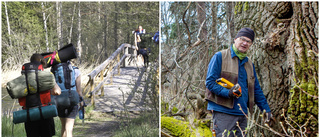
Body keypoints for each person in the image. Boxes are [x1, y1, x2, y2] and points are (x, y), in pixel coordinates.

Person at [205, 28, 272, 136]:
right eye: (242, 39)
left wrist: (265, 109)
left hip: (242, 114)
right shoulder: (220, 56)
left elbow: (255, 89)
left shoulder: (249, 63)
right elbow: (210, 82)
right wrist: (227, 93)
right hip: (223, 112)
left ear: (251, 44)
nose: (245, 43)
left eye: (248, 41)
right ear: (235, 39)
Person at [23, 54, 61, 137]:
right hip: (45, 113)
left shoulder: (24, 77)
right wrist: (47, 92)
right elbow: (57, 91)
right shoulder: (47, 75)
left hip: (29, 114)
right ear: (41, 62)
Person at [51, 60, 83, 137]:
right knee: (69, 129)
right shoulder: (76, 70)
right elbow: (79, 90)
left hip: (59, 100)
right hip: (72, 99)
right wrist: (81, 101)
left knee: (63, 126)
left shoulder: (54, 70)